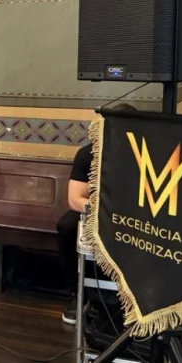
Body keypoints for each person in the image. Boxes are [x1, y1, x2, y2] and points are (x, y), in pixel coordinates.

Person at [57, 102, 135, 325]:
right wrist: (103, 212)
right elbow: (75, 199)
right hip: (96, 211)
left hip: (132, 216)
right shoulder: (88, 154)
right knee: (66, 227)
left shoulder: (144, 155)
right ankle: (77, 293)